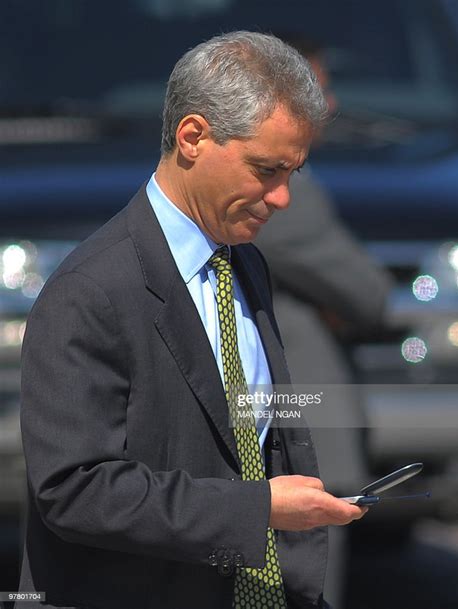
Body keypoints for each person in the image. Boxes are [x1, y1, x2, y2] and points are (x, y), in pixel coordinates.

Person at [17, 32, 367, 609]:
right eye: (266, 169)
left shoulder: (243, 263)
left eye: (293, 174)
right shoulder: (90, 291)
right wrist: (260, 509)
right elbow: (73, 490)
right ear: (193, 137)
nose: (281, 198)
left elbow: (251, 435)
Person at [254, 35, 393, 608]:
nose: (328, 106)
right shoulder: (284, 192)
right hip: (298, 436)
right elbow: (369, 295)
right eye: (312, 90)